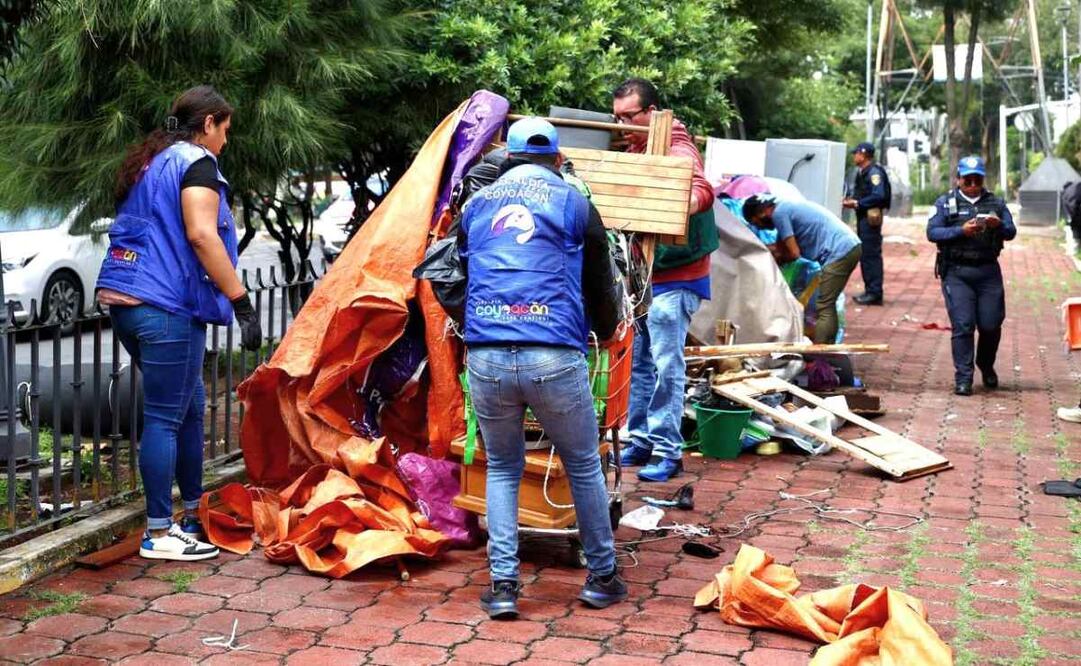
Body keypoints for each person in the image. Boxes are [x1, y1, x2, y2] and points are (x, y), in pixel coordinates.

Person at [458, 117, 626, 619]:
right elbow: (600, 279)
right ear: (557, 159)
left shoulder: (475, 206)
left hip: (486, 353)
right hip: (553, 351)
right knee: (581, 464)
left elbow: (460, 270)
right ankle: (601, 578)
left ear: (507, 158)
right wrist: (606, 326)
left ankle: (504, 587)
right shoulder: (576, 203)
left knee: (504, 467)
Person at [95, 85, 262, 561]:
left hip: (126, 298)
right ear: (207, 123)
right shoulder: (197, 163)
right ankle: (159, 533)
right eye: (224, 130)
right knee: (166, 417)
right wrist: (242, 303)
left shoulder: (155, 161)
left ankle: (193, 514)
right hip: (164, 306)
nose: (226, 141)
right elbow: (202, 235)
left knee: (190, 407)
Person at [612, 78, 718, 483]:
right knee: (639, 365)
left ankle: (668, 451)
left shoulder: (675, 145)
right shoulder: (638, 145)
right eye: (617, 117)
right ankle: (639, 439)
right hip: (644, 279)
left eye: (630, 116)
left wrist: (681, 204)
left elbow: (699, 187)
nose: (622, 124)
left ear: (651, 112)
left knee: (665, 366)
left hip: (676, 278)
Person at [927, 155, 1016, 396]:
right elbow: (933, 232)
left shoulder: (995, 203)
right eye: (968, 180)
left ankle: (985, 364)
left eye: (977, 180)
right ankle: (963, 378)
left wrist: (999, 226)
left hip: (988, 271)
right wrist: (961, 231)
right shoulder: (945, 202)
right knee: (963, 325)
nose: (973, 185)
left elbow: (1011, 231)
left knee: (990, 324)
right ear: (958, 180)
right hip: (956, 272)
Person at [743, 195, 862, 344]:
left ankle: (822, 352)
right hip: (848, 246)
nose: (761, 227)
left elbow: (793, 253)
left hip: (841, 250)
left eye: (757, 223)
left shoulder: (779, 213)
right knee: (826, 304)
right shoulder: (786, 208)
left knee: (824, 305)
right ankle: (828, 348)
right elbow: (781, 248)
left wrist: (767, 253)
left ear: (762, 212)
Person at [843, 142, 891, 305]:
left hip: (870, 220)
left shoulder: (874, 173)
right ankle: (871, 289)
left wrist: (857, 203)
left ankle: (874, 292)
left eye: (856, 153)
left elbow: (879, 195)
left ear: (863, 155)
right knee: (866, 254)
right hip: (864, 218)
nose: (854, 156)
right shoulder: (864, 172)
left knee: (871, 255)